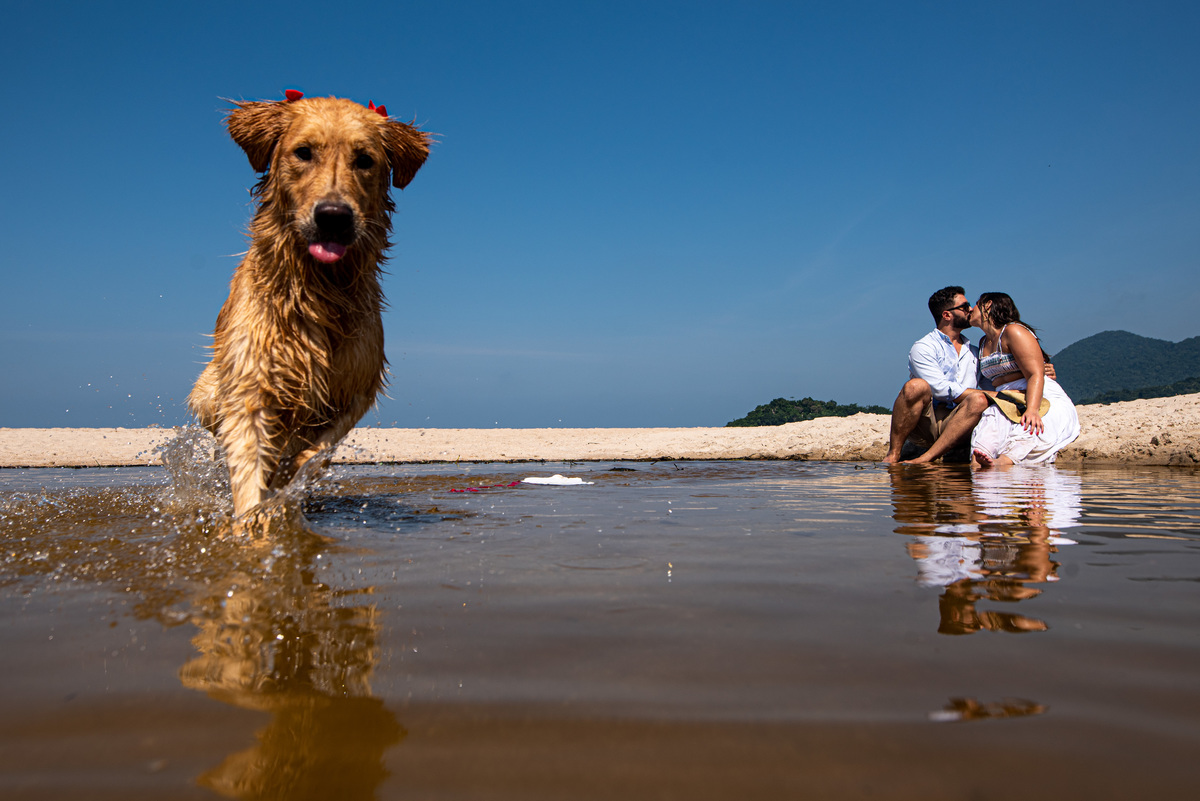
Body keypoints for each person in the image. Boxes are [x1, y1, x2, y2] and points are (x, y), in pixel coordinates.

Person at [968, 292, 1079, 466]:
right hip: (1007, 398)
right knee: (984, 440)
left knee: (1027, 431)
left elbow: (1035, 373)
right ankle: (981, 470)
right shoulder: (983, 342)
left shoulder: (1013, 331)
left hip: (1037, 394)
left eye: (975, 304)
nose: (970, 309)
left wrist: (1033, 409)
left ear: (988, 305)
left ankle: (1003, 462)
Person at [882, 287, 991, 464]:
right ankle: (893, 455)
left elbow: (991, 383)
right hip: (927, 421)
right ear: (947, 315)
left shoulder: (975, 351)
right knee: (915, 386)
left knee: (979, 400)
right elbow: (940, 389)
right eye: (965, 306)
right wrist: (994, 395)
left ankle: (933, 455)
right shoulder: (924, 347)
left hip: (962, 418)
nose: (971, 309)